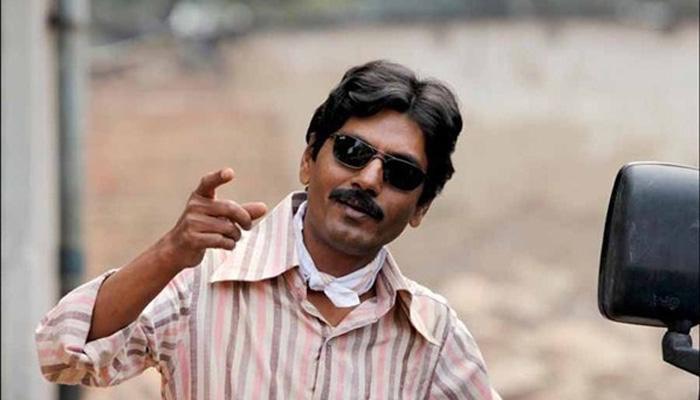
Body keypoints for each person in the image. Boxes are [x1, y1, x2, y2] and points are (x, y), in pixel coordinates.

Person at [36, 60, 500, 399]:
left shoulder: (432, 334)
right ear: (308, 159)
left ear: (421, 206)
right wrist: (169, 253)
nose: (369, 179)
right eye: (353, 152)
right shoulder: (201, 282)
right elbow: (60, 353)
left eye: (400, 172)